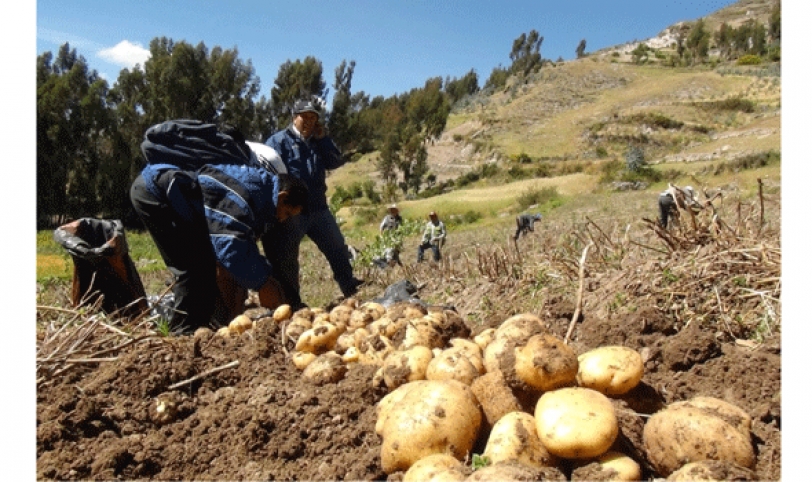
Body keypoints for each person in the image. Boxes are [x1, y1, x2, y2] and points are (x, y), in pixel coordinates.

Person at [130, 160, 309, 333]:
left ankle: (211, 321)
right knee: (192, 267)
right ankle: (183, 331)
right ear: (282, 197)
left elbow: (239, 249)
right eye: (286, 213)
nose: (283, 219)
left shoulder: (259, 194)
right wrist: (263, 284)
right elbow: (230, 249)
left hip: (176, 202)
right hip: (155, 193)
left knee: (206, 263)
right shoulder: (244, 196)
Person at [261, 96, 363, 308]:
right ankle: (293, 303)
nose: (308, 121)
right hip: (292, 211)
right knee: (287, 259)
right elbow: (269, 175)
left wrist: (324, 139)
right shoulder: (278, 142)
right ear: (293, 118)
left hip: (319, 209)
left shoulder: (318, 142)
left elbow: (335, 161)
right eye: (304, 117)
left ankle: (349, 286)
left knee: (337, 247)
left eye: (313, 117)